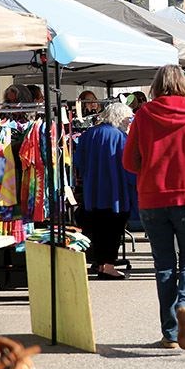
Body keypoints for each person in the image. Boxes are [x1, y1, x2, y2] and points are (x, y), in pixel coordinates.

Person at [123, 65, 185, 350]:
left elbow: (129, 162)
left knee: (164, 265)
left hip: (154, 198)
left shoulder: (143, 115)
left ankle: (169, 333)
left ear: (155, 86)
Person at [73, 103, 134, 280]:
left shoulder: (89, 134)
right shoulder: (120, 137)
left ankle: (101, 263)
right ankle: (108, 266)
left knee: (98, 228)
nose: (129, 122)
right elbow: (129, 165)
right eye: (127, 119)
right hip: (116, 191)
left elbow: (79, 162)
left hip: (93, 190)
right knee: (113, 228)